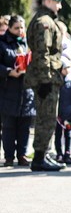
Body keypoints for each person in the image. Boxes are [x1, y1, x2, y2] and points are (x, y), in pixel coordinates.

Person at [26, 0, 66, 172]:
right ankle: (40, 157)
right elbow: (42, 53)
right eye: (57, 2)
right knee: (46, 117)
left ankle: (44, 155)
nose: (60, 6)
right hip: (46, 77)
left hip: (49, 75)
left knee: (48, 117)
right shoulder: (45, 23)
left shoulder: (46, 20)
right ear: (48, 1)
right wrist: (44, 80)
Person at [0, 15, 35, 167]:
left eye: (22, 27)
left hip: (26, 90)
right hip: (9, 89)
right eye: (16, 28)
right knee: (9, 126)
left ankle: (22, 154)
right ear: (9, 28)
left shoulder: (28, 43)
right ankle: (9, 156)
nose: (20, 31)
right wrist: (8, 71)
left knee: (24, 126)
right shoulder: (2, 43)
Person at [54, 60, 71, 165]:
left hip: (68, 115)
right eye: (64, 68)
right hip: (57, 115)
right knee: (58, 134)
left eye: (68, 67)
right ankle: (59, 153)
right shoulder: (56, 81)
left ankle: (67, 153)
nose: (67, 70)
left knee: (68, 135)